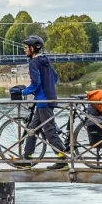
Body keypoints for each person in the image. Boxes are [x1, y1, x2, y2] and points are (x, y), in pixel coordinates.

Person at [14, 35, 68, 170]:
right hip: (48, 98)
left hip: (43, 101)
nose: (25, 50)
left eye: (26, 48)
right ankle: (27, 159)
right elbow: (54, 79)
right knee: (32, 130)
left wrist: (24, 92)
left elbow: (35, 83)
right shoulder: (46, 60)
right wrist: (47, 89)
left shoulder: (34, 63)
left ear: (33, 48)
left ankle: (63, 160)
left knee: (49, 131)